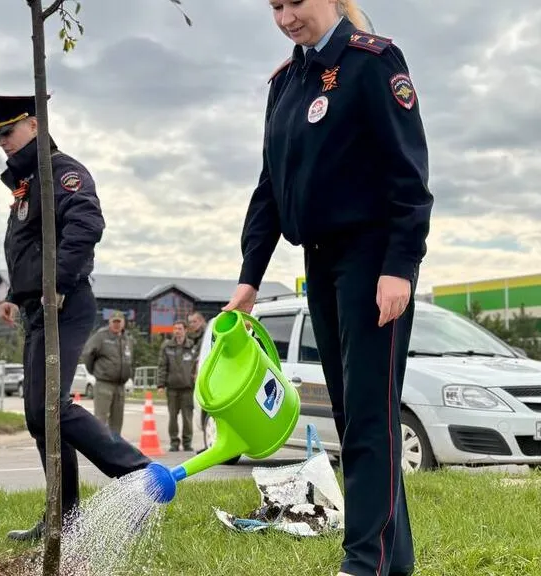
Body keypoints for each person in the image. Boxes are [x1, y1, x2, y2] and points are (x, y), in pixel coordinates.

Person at [223, 2, 432, 575]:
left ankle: (364, 562)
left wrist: (401, 266)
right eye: (274, 6)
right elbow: (271, 185)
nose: (286, 17)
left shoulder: (374, 61)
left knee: (369, 415)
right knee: (356, 416)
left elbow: (409, 176)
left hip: (372, 260)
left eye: (295, 2)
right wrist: (249, 277)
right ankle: (394, 562)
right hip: (319, 260)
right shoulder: (287, 82)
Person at [0, 93, 152, 542]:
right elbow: (28, 246)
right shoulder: (27, 183)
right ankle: (64, 518)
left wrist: (58, 284)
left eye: (8, 132)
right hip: (38, 311)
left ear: (34, 125)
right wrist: (17, 294)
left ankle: (139, 473)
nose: (1, 142)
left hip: (66, 306)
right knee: (39, 415)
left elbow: (86, 226)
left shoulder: (61, 173)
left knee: (50, 407)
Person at [81, 310, 134, 436]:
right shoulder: (101, 337)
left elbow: (130, 360)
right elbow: (87, 354)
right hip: (104, 384)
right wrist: (94, 371)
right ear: (109, 322)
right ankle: (99, 446)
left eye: (119, 322)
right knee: (101, 418)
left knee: (117, 420)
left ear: (123, 323)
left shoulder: (127, 339)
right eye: (114, 322)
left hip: (120, 385)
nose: (116, 324)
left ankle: (115, 448)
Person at [155, 320, 195, 452]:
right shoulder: (167, 346)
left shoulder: (192, 346)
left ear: (185, 330)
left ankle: (187, 442)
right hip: (172, 388)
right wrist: (160, 385)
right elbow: (162, 366)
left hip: (188, 388)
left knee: (187, 417)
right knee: (173, 417)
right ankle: (174, 442)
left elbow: (197, 365)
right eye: (175, 329)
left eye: (180, 329)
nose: (177, 331)